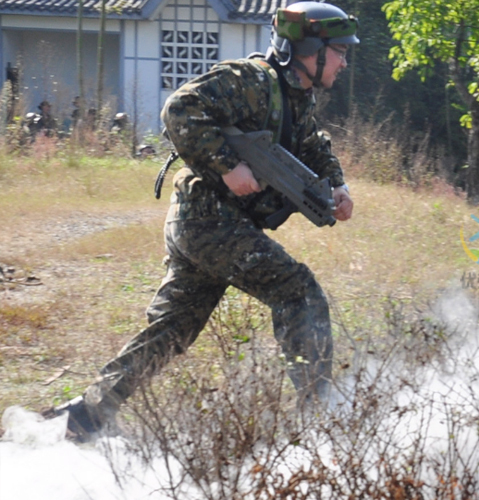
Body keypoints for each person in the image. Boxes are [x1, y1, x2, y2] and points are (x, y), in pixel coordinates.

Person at [44, 1, 359, 442]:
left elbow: (311, 143)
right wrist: (228, 165)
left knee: (172, 331)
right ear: (309, 51)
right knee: (298, 291)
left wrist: (337, 186)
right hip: (208, 221)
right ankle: (321, 421)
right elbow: (180, 107)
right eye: (339, 51)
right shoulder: (251, 80)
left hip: (208, 225)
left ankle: (84, 417)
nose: (344, 62)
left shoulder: (296, 96)